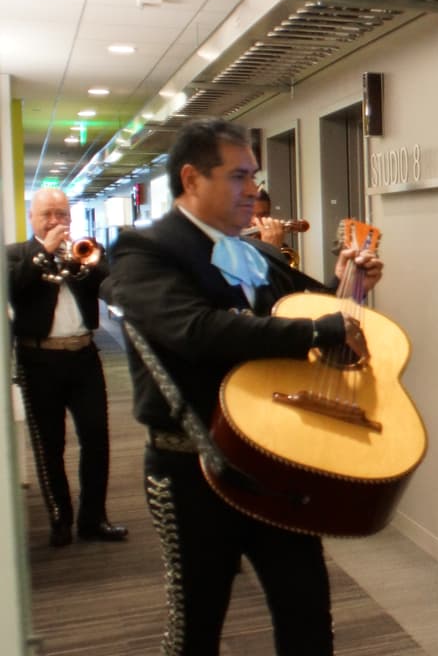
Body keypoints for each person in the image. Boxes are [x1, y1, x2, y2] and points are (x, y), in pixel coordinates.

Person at [106, 118, 383, 655]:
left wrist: (350, 287)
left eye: (253, 175)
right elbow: (196, 330)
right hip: (192, 468)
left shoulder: (254, 254)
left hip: (273, 464)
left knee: (307, 615)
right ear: (191, 179)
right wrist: (318, 329)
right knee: (197, 626)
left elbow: (312, 311)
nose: (253, 190)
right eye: (238, 176)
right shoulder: (145, 250)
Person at [7, 188, 127, 547]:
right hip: (38, 358)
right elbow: (13, 289)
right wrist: (43, 254)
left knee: (96, 439)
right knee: (49, 444)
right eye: (48, 214)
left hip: (84, 356)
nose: (56, 221)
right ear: (32, 217)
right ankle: (60, 518)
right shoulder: (15, 255)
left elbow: (109, 287)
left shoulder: (84, 251)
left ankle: (94, 518)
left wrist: (81, 264)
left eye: (62, 214)